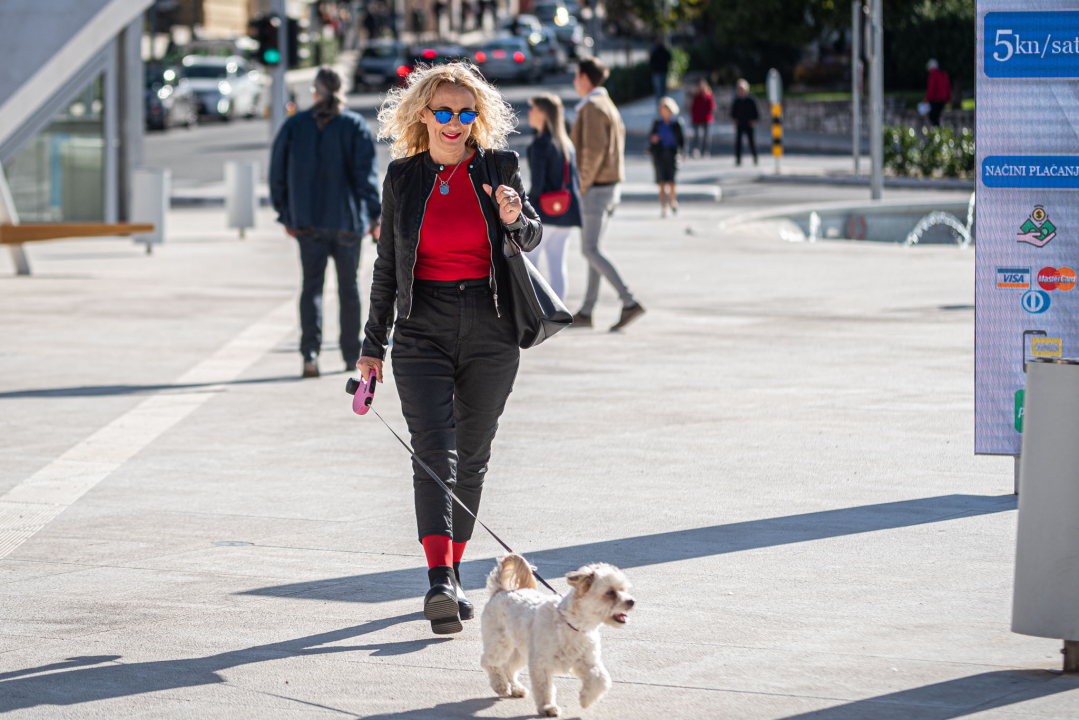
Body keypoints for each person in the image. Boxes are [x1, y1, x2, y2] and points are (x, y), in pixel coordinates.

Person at [356, 63, 542, 635]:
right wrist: (372, 345)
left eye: (465, 112)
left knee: (473, 455)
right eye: (444, 111)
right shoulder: (403, 177)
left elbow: (530, 232)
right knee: (435, 452)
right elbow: (387, 265)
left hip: (491, 327)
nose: (454, 122)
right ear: (424, 114)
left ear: (476, 117)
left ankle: (454, 574)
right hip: (422, 329)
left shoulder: (498, 168)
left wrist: (515, 217)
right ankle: (439, 579)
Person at [270, 67, 380, 379]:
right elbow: (366, 178)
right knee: (349, 289)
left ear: (315, 92)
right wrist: (375, 215)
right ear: (341, 91)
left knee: (311, 288)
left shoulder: (294, 125)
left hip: (307, 221)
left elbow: (276, 175)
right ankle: (350, 354)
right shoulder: (354, 125)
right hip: (347, 221)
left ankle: (310, 354)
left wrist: (286, 214)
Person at [569, 57, 645, 331]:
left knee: (590, 249)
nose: (574, 82)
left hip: (596, 189)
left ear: (584, 77)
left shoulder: (592, 107)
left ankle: (629, 300)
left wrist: (581, 186)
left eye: (576, 76)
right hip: (608, 187)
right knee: (594, 251)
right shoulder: (607, 104)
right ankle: (587, 311)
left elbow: (592, 152)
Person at [526, 94, 581, 300]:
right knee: (557, 265)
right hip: (566, 211)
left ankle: (537, 310)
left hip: (544, 212)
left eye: (533, 109)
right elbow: (575, 181)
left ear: (543, 114)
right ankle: (559, 313)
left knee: (529, 262)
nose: (530, 113)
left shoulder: (540, 144)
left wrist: (525, 208)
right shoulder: (566, 144)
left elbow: (538, 184)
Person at [649, 96, 685, 218]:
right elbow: (651, 137)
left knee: (672, 182)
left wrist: (683, 153)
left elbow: (682, 140)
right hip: (660, 154)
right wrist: (654, 140)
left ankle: (673, 201)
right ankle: (664, 207)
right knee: (661, 183)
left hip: (672, 154)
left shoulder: (676, 123)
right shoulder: (657, 123)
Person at [730, 79, 759, 166]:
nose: (740, 91)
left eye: (742, 89)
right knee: (738, 142)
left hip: (749, 124)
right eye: (739, 89)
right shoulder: (737, 100)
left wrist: (753, 120)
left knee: (751, 142)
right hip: (740, 124)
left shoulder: (751, 99)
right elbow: (733, 113)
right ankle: (738, 159)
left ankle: (755, 157)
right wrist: (735, 120)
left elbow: (756, 112)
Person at [689, 77, 715, 157]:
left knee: (706, 136)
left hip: (706, 118)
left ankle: (705, 150)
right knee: (696, 135)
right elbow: (693, 108)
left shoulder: (708, 96)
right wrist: (692, 117)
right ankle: (696, 149)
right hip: (697, 118)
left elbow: (711, 107)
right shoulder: (696, 96)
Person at [925, 59, 951, 127]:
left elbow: (931, 88)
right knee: (938, 116)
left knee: (933, 118)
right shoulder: (943, 74)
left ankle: (935, 130)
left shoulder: (933, 74)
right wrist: (948, 98)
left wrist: (927, 99)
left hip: (935, 99)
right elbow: (947, 87)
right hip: (943, 99)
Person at [649, 38, 672, 105]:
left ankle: (663, 105)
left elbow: (669, 58)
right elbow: (651, 61)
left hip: (661, 72)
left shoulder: (662, 50)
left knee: (661, 90)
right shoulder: (655, 51)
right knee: (659, 90)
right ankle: (661, 106)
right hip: (657, 72)